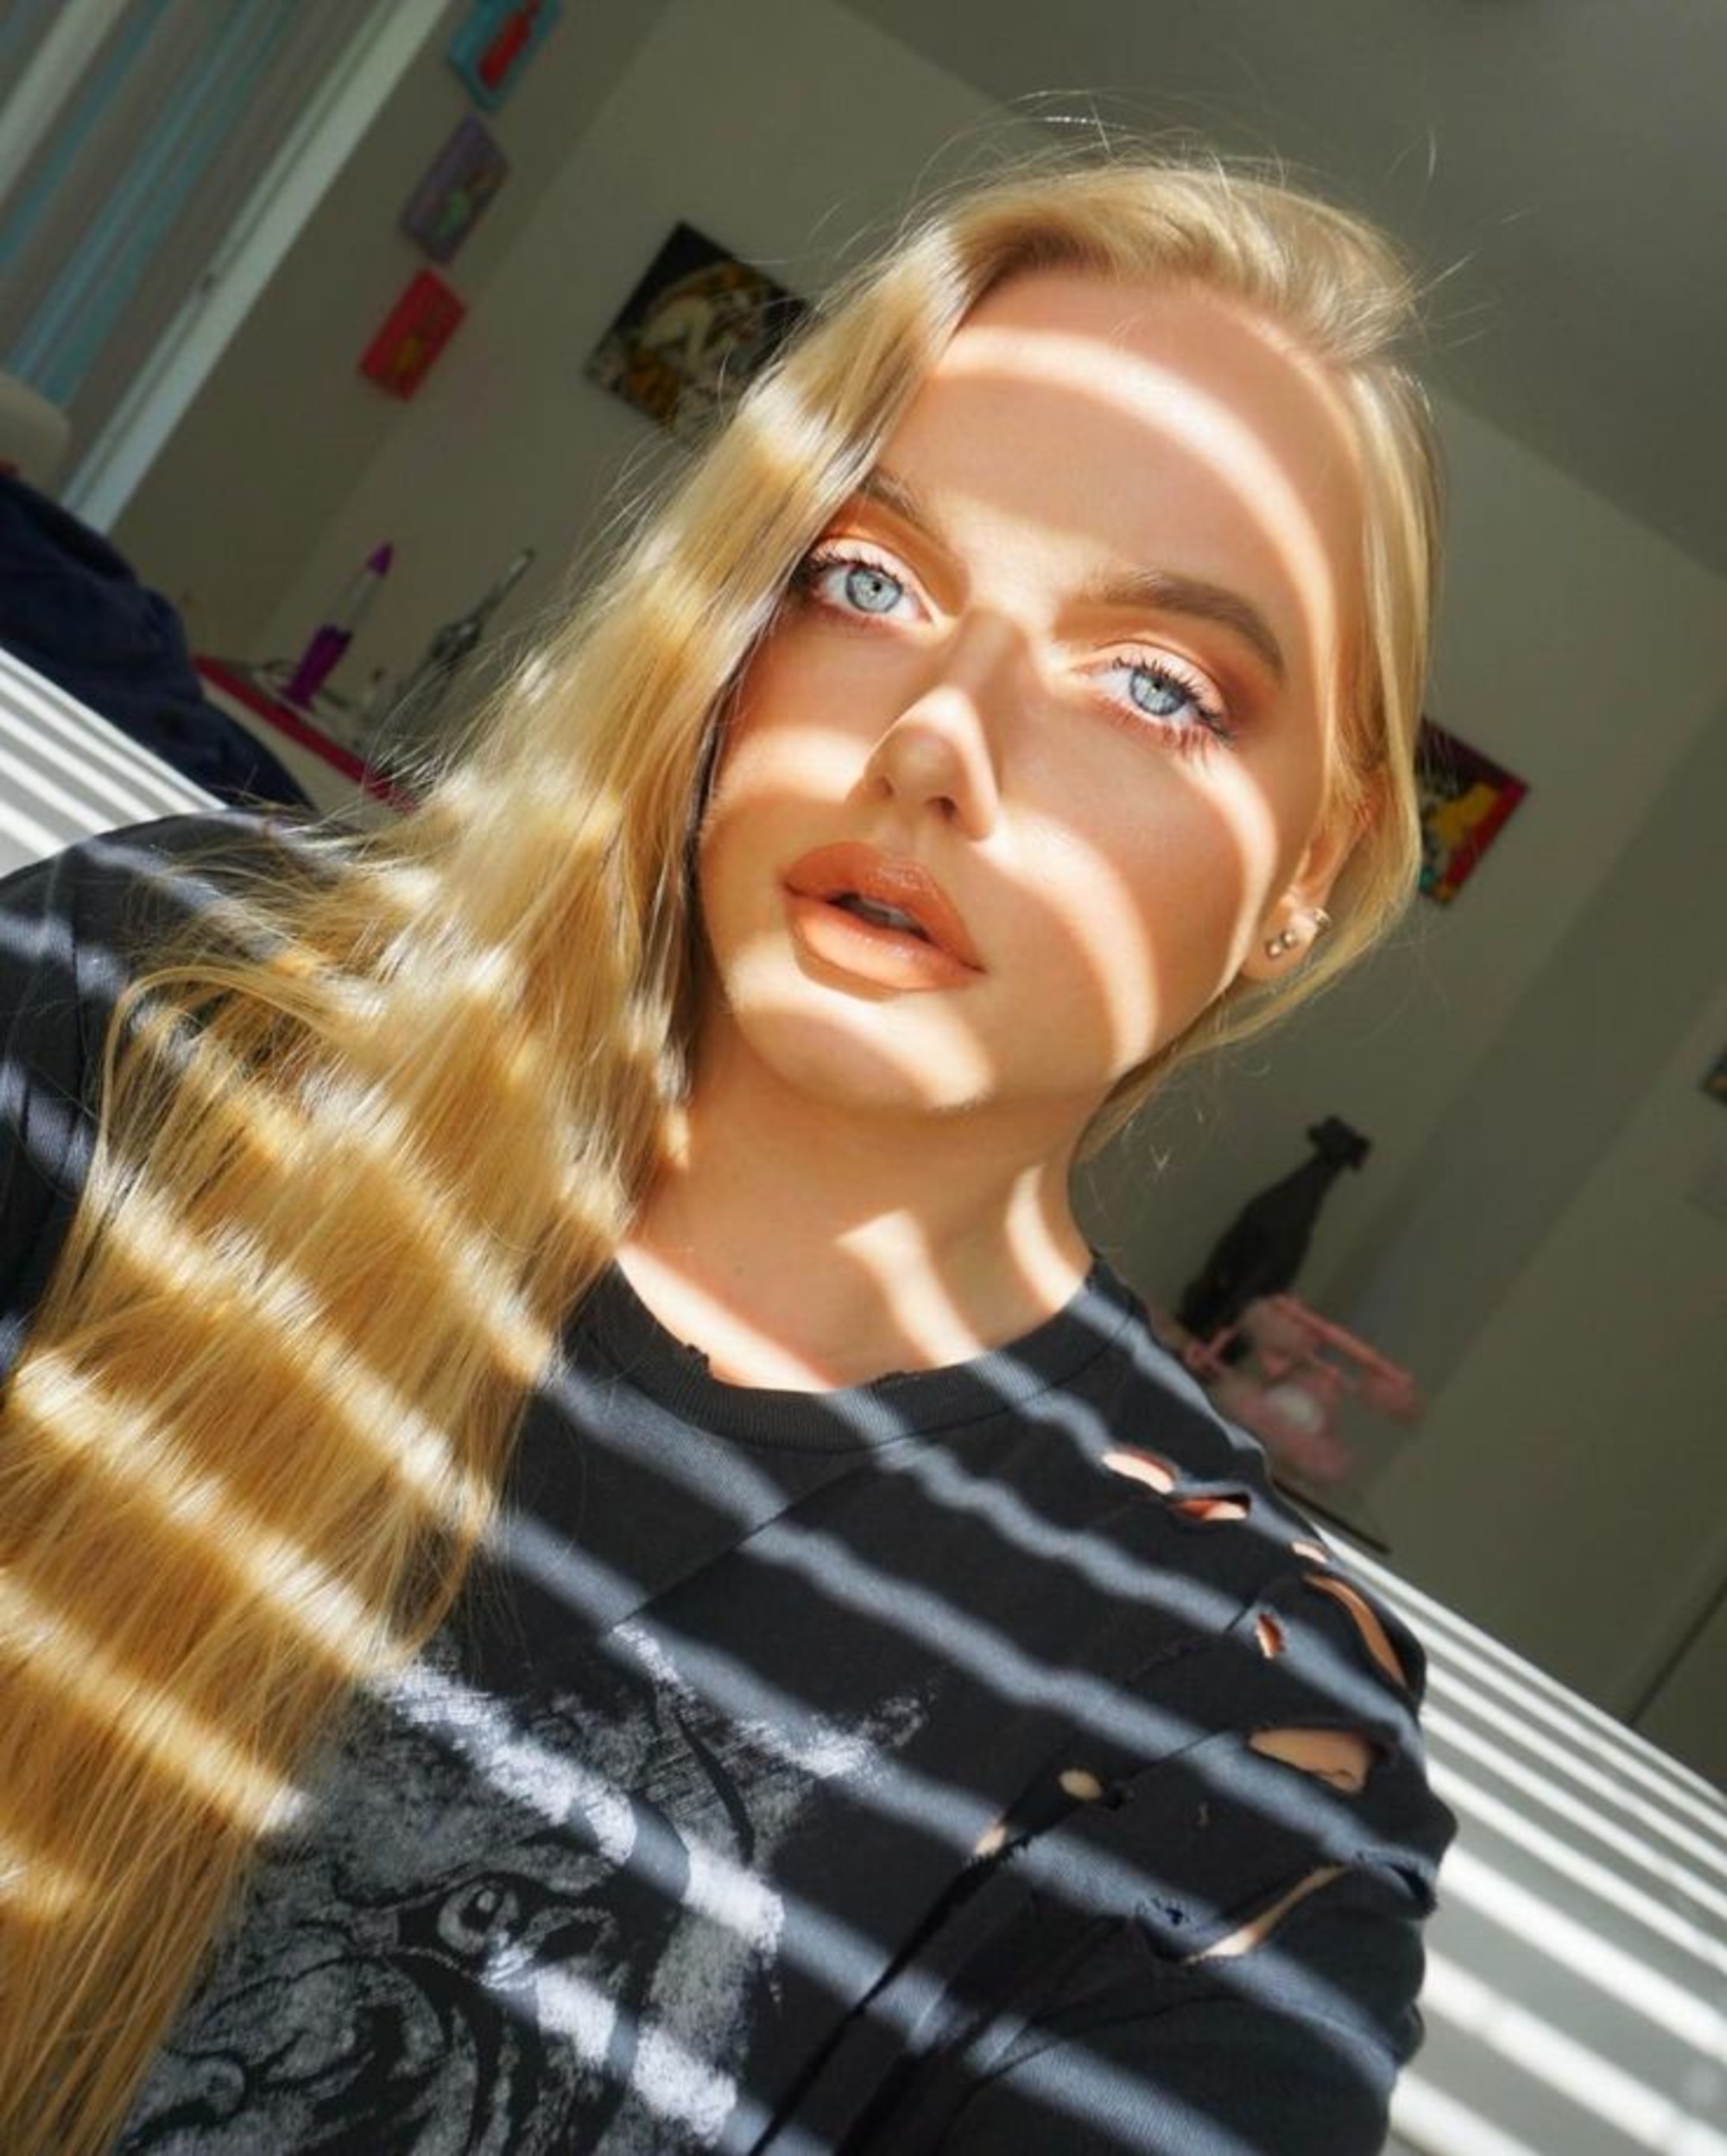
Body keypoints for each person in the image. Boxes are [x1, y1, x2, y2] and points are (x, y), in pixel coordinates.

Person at [0, 151, 1454, 2153]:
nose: (937, 740)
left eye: (1153, 685)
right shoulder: (172, 1011)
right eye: (868, 579)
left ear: (1307, 870)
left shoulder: (1220, 1714)